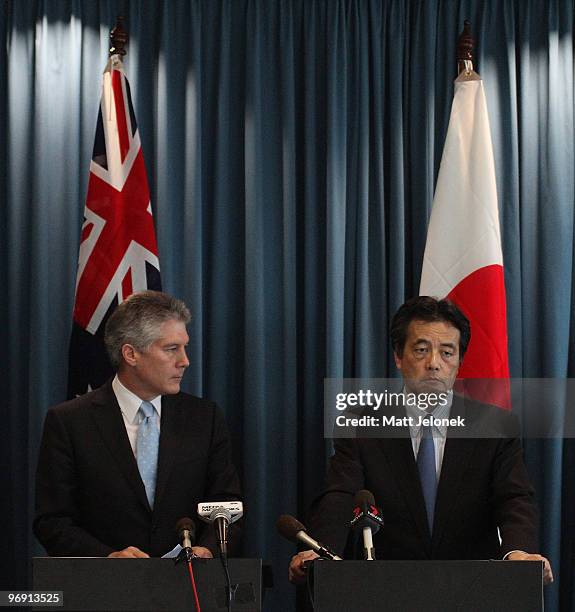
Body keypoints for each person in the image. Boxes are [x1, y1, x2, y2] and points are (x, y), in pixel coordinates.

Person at [289, 296, 553, 584]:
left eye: (447, 353)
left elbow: (513, 498)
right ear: (398, 357)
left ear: (460, 361)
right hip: (386, 585)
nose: (434, 364)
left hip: (471, 585)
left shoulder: (495, 426)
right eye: (421, 350)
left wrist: (519, 552)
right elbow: (340, 495)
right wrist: (323, 553)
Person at [34, 290, 241, 558]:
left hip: (188, 587)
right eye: (171, 349)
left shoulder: (204, 418)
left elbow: (227, 505)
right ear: (131, 354)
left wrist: (209, 550)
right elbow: (52, 521)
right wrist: (108, 558)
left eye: (184, 347)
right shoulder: (69, 422)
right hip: (103, 591)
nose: (185, 361)